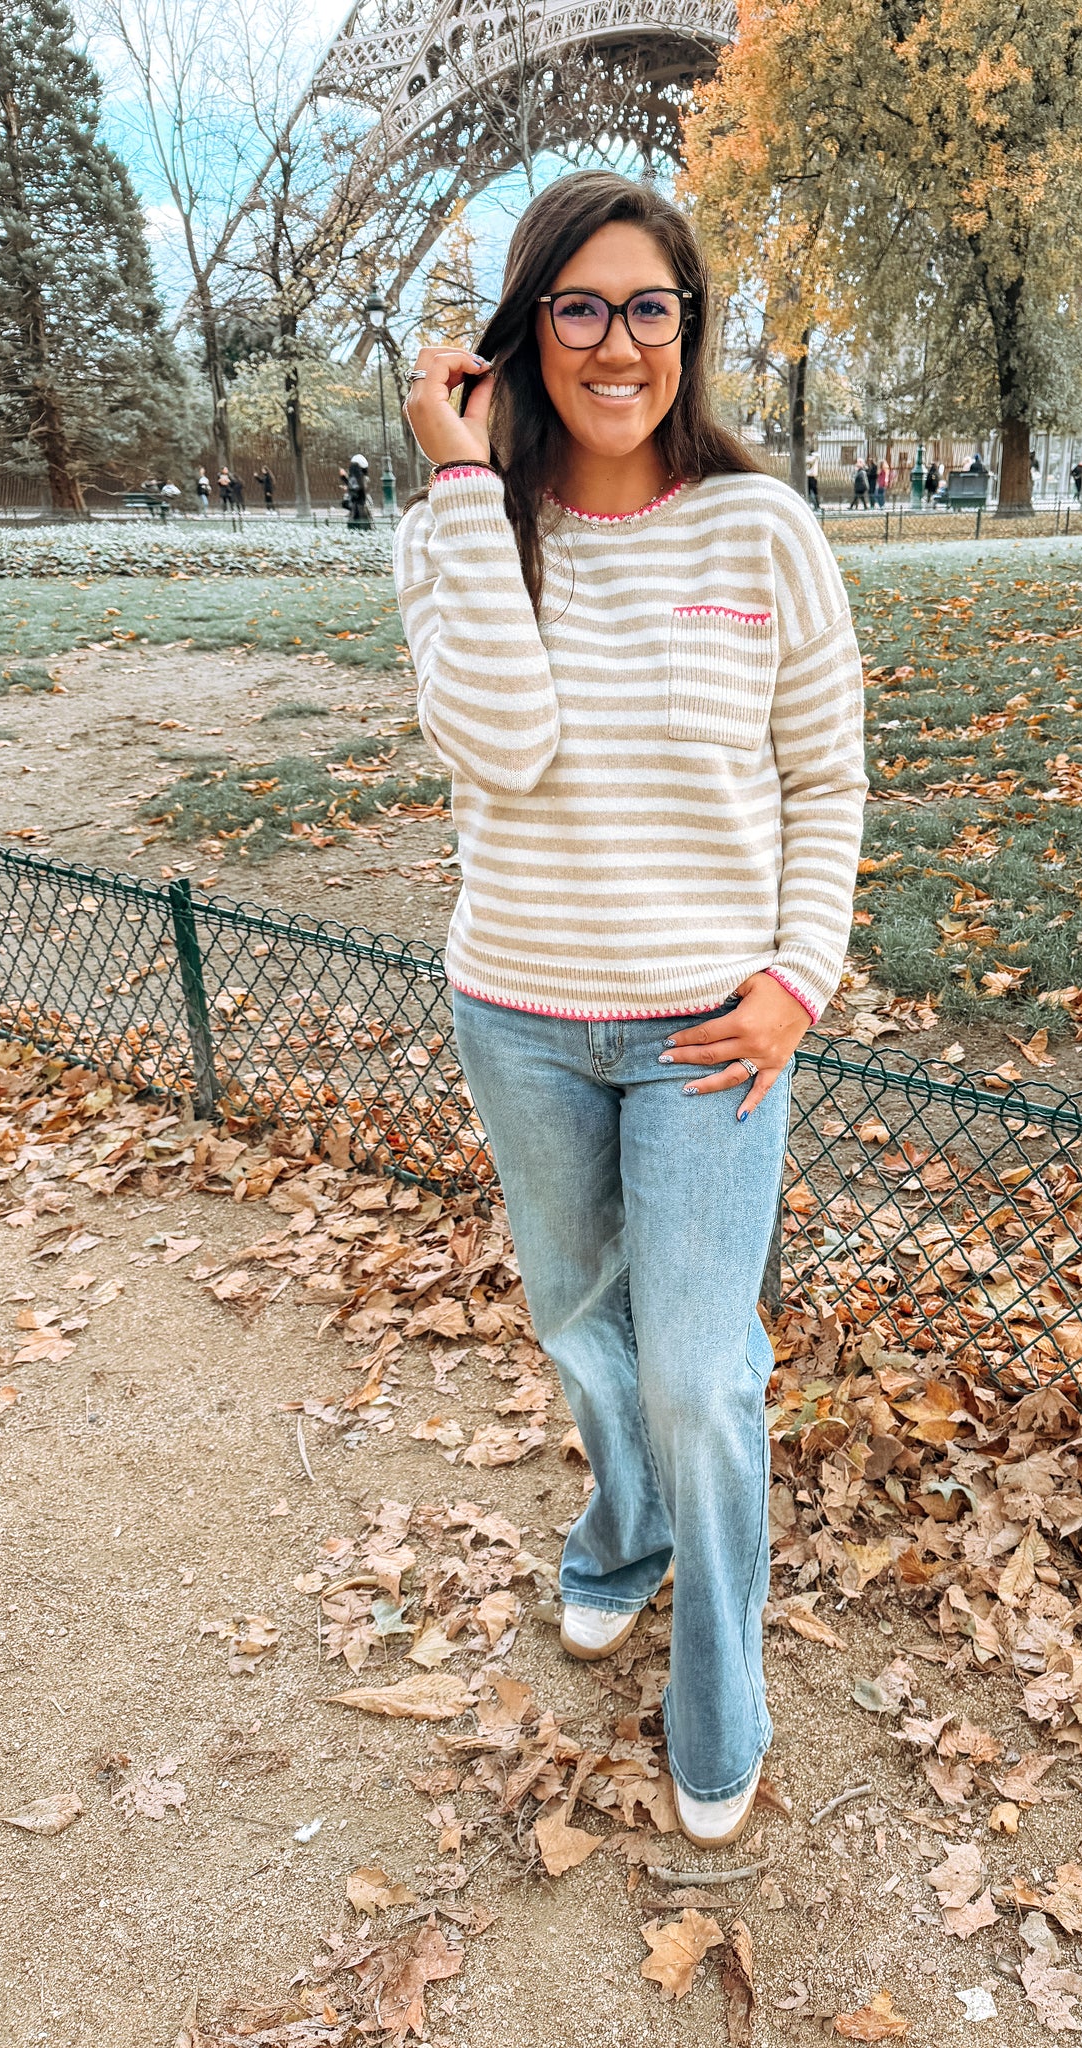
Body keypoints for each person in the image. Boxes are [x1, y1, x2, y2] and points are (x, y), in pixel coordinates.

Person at [396, 169, 866, 1851]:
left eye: (647, 307)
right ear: (526, 331)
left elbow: (826, 776)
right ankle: (624, 1533)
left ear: (689, 328)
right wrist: (466, 483)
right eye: (578, 307)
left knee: (700, 1371)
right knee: (581, 1325)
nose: (616, 343)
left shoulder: (764, 529)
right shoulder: (453, 532)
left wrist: (797, 980)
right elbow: (503, 745)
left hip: (707, 1034)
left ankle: (717, 1686)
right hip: (519, 1013)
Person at [346, 454, 371, 528]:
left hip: (357, 505)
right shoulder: (363, 477)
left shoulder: (356, 475)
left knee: (357, 524)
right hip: (361, 503)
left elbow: (355, 488)